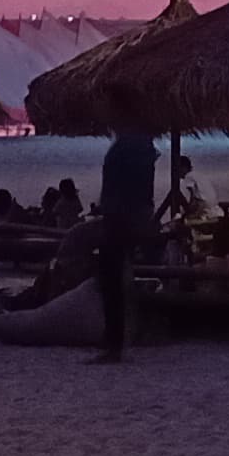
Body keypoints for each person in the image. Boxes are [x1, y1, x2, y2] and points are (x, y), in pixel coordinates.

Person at [92, 113, 156, 366]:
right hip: (131, 216)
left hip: (121, 219)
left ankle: (114, 344)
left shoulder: (127, 147)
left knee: (112, 279)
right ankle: (117, 340)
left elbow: (121, 187)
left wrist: (111, 210)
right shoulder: (142, 145)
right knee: (116, 278)